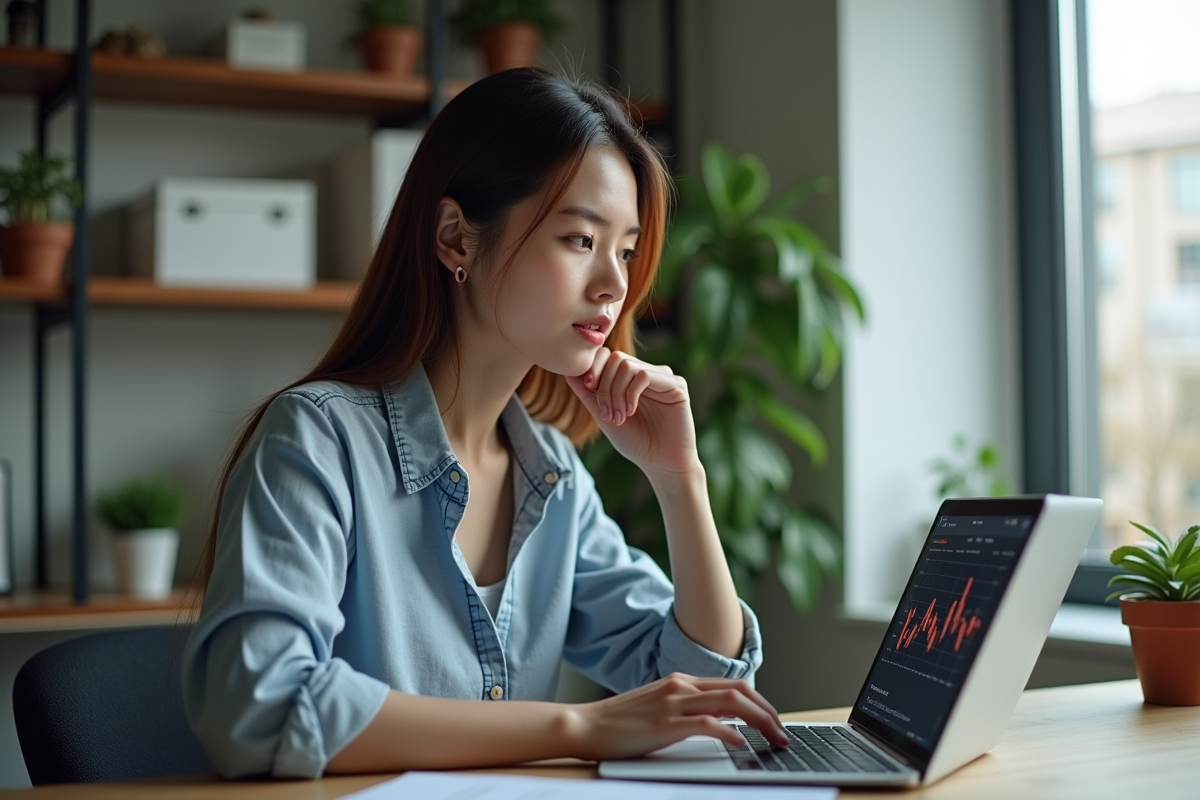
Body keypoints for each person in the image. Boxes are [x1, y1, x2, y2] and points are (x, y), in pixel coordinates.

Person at [182, 67, 789, 780]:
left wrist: (680, 478)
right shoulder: (318, 440)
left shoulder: (554, 478)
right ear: (456, 239)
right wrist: (578, 725)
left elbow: (705, 691)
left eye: (625, 250)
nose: (614, 285)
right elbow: (261, 706)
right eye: (580, 240)